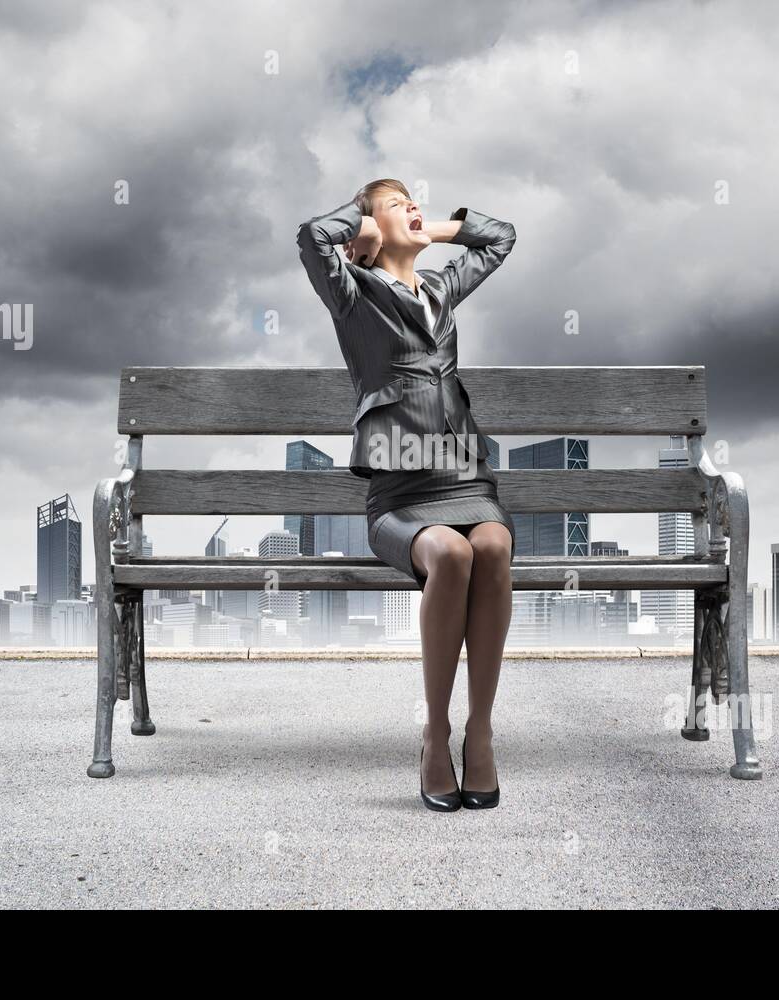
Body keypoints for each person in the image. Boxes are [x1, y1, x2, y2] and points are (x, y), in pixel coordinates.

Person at [296, 178, 517, 810]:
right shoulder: (352, 293)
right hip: (399, 498)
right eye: (399, 203)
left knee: (493, 544)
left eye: (414, 200)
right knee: (450, 555)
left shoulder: (442, 290)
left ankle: (480, 732)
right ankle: (434, 733)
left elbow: (500, 239)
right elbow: (315, 237)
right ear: (367, 233)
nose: (414, 207)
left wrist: (433, 228)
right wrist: (364, 228)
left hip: (465, 478)